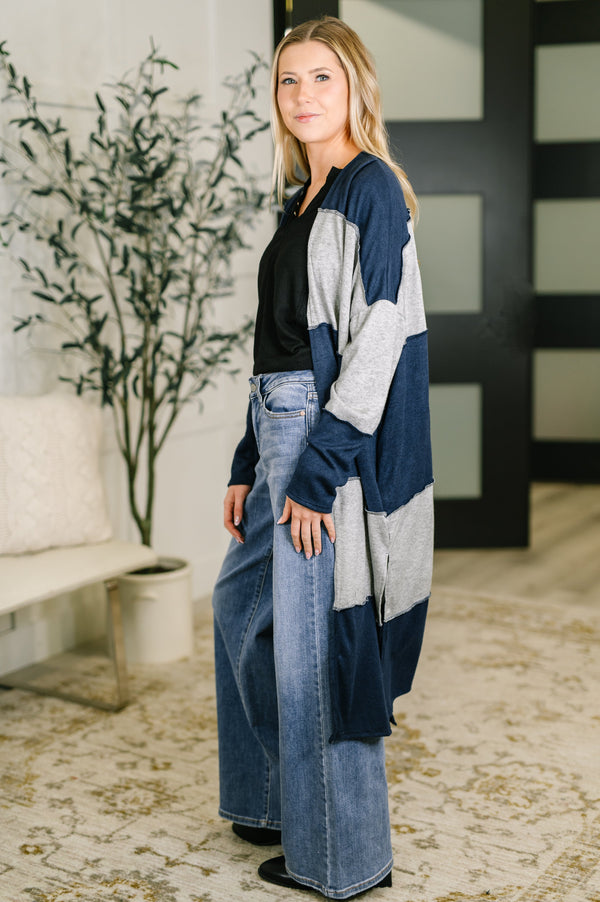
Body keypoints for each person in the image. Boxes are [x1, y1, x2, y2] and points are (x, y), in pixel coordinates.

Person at [211, 15, 433, 900]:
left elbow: (374, 343)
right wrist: (244, 457)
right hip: (276, 421)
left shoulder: (371, 189)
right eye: (287, 81)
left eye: (320, 79)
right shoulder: (300, 197)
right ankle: (270, 799)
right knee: (241, 603)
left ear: (356, 90)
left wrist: (315, 469)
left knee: (316, 640)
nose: (302, 96)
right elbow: (278, 342)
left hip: (321, 437)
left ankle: (343, 856)